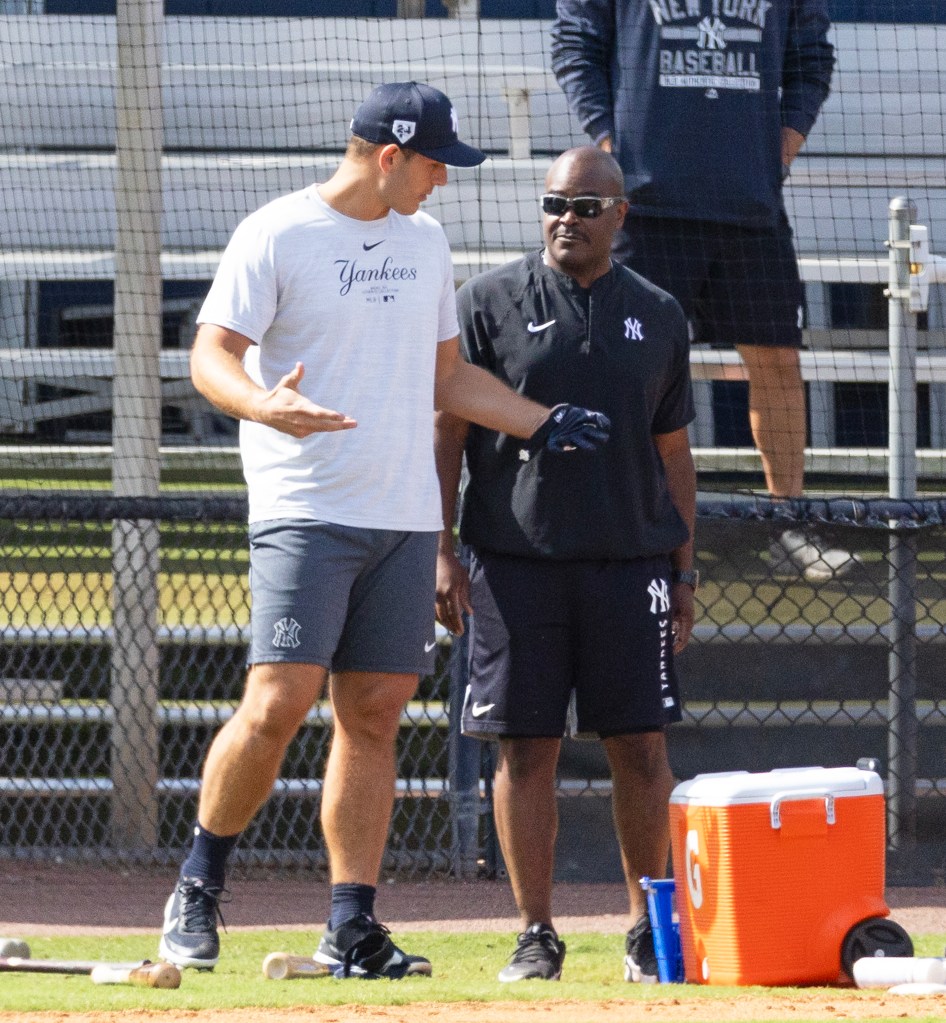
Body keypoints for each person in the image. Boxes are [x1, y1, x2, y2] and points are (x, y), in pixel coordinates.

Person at [158, 82, 610, 978]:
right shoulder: (277, 231)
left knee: (372, 716)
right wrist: (263, 405)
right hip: (304, 509)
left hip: (402, 515)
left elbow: (448, 379)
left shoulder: (426, 242)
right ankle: (198, 885)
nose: (445, 180)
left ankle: (351, 924)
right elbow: (211, 354)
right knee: (279, 702)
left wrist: (538, 419)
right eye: (436, 161)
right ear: (391, 155)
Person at [434, 146, 696, 983]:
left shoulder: (658, 313)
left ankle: (643, 926)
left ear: (620, 217)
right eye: (553, 203)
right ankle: (535, 931)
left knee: (642, 748)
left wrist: (684, 572)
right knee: (525, 749)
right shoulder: (486, 303)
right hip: (515, 564)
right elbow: (448, 433)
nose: (565, 221)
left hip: (631, 564)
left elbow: (675, 453)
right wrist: (442, 548)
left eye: (585, 207)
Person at [551, 0, 854, 582]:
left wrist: (777, 151)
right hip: (646, 205)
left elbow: (811, 58)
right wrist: (614, 149)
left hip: (748, 203)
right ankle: (625, 521)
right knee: (627, 364)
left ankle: (786, 526)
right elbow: (575, 45)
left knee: (777, 362)